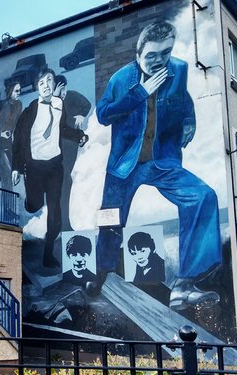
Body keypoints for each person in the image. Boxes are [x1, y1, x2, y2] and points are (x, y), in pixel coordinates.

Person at [91, 20, 220, 310]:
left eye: (165, 53)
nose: (159, 61)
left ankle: (184, 285)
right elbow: (103, 114)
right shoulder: (121, 79)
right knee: (111, 220)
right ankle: (101, 272)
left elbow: (183, 101)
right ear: (138, 54)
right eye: (152, 55)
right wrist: (140, 92)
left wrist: (189, 121)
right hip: (125, 165)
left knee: (204, 196)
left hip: (161, 161)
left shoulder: (178, 70)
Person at [11, 68, 86, 268]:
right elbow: (18, 140)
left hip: (54, 166)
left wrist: (79, 136)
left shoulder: (59, 104)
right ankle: (31, 202)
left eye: (49, 81)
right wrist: (16, 167)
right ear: (37, 87)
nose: (46, 85)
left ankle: (48, 252)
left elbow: (62, 129)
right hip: (34, 166)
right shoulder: (30, 110)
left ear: (54, 85)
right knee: (35, 204)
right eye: (42, 82)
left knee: (55, 210)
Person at [54, 75, 91, 231]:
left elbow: (87, 104)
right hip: (59, 147)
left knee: (66, 177)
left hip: (72, 145)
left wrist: (82, 115)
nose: (62, 92)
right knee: (63, 181)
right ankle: (62, 223)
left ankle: (63, 223)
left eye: (64, 88)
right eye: (59, 89)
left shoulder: (73, 96)